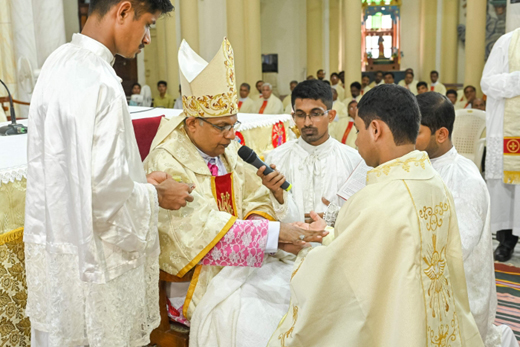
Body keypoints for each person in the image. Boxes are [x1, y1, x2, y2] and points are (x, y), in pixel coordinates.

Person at [23, 0, 196, 345]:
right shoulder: (102, 80)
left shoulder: (56, 62)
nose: (147, 38)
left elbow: (74, 171)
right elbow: (104, 197)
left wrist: (137, 183)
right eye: (148, 24)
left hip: (60, 251)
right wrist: (157, 195)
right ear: (123, 11)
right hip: (95, 261)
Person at [144, 38, 327, 347]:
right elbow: (196, 229)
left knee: (305, 295)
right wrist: (272, 236)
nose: (231, 136)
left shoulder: (229, 152)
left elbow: (255, 197)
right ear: (192, 124)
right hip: (199, 277)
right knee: (256, 325)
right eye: (222, 127)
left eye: (234, 125)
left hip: (249, 261)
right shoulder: (167, 161)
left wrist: (270, 226)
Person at [268, 84, 484, 346]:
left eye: (358, 130)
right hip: (431, 322)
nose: (356, 140)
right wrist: (330, 235)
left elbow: (338, 277)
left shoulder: (377, 199)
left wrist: (304, 249)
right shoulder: (434, 184)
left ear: (376, 129)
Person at [415, 92, 516, 347]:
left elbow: (455, 251)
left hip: (460, 298)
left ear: (441, 134)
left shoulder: (465, 179)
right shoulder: (413, 165)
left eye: (415, 132)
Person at [265, 80, 361, 225]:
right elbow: (263, 211)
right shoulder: (277, 158)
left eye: (315, 114)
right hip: (289, 246)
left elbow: (365, 213)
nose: (307, 122)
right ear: (293, 117)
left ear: (331, 116)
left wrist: (337, 217)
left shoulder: (352, 160)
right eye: (300, 115)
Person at [481, 28, 520, 263]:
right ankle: (506, 240)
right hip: (509, 130)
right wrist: (518, 79)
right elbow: (487, 82)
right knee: (507, 185)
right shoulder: (507, 42)